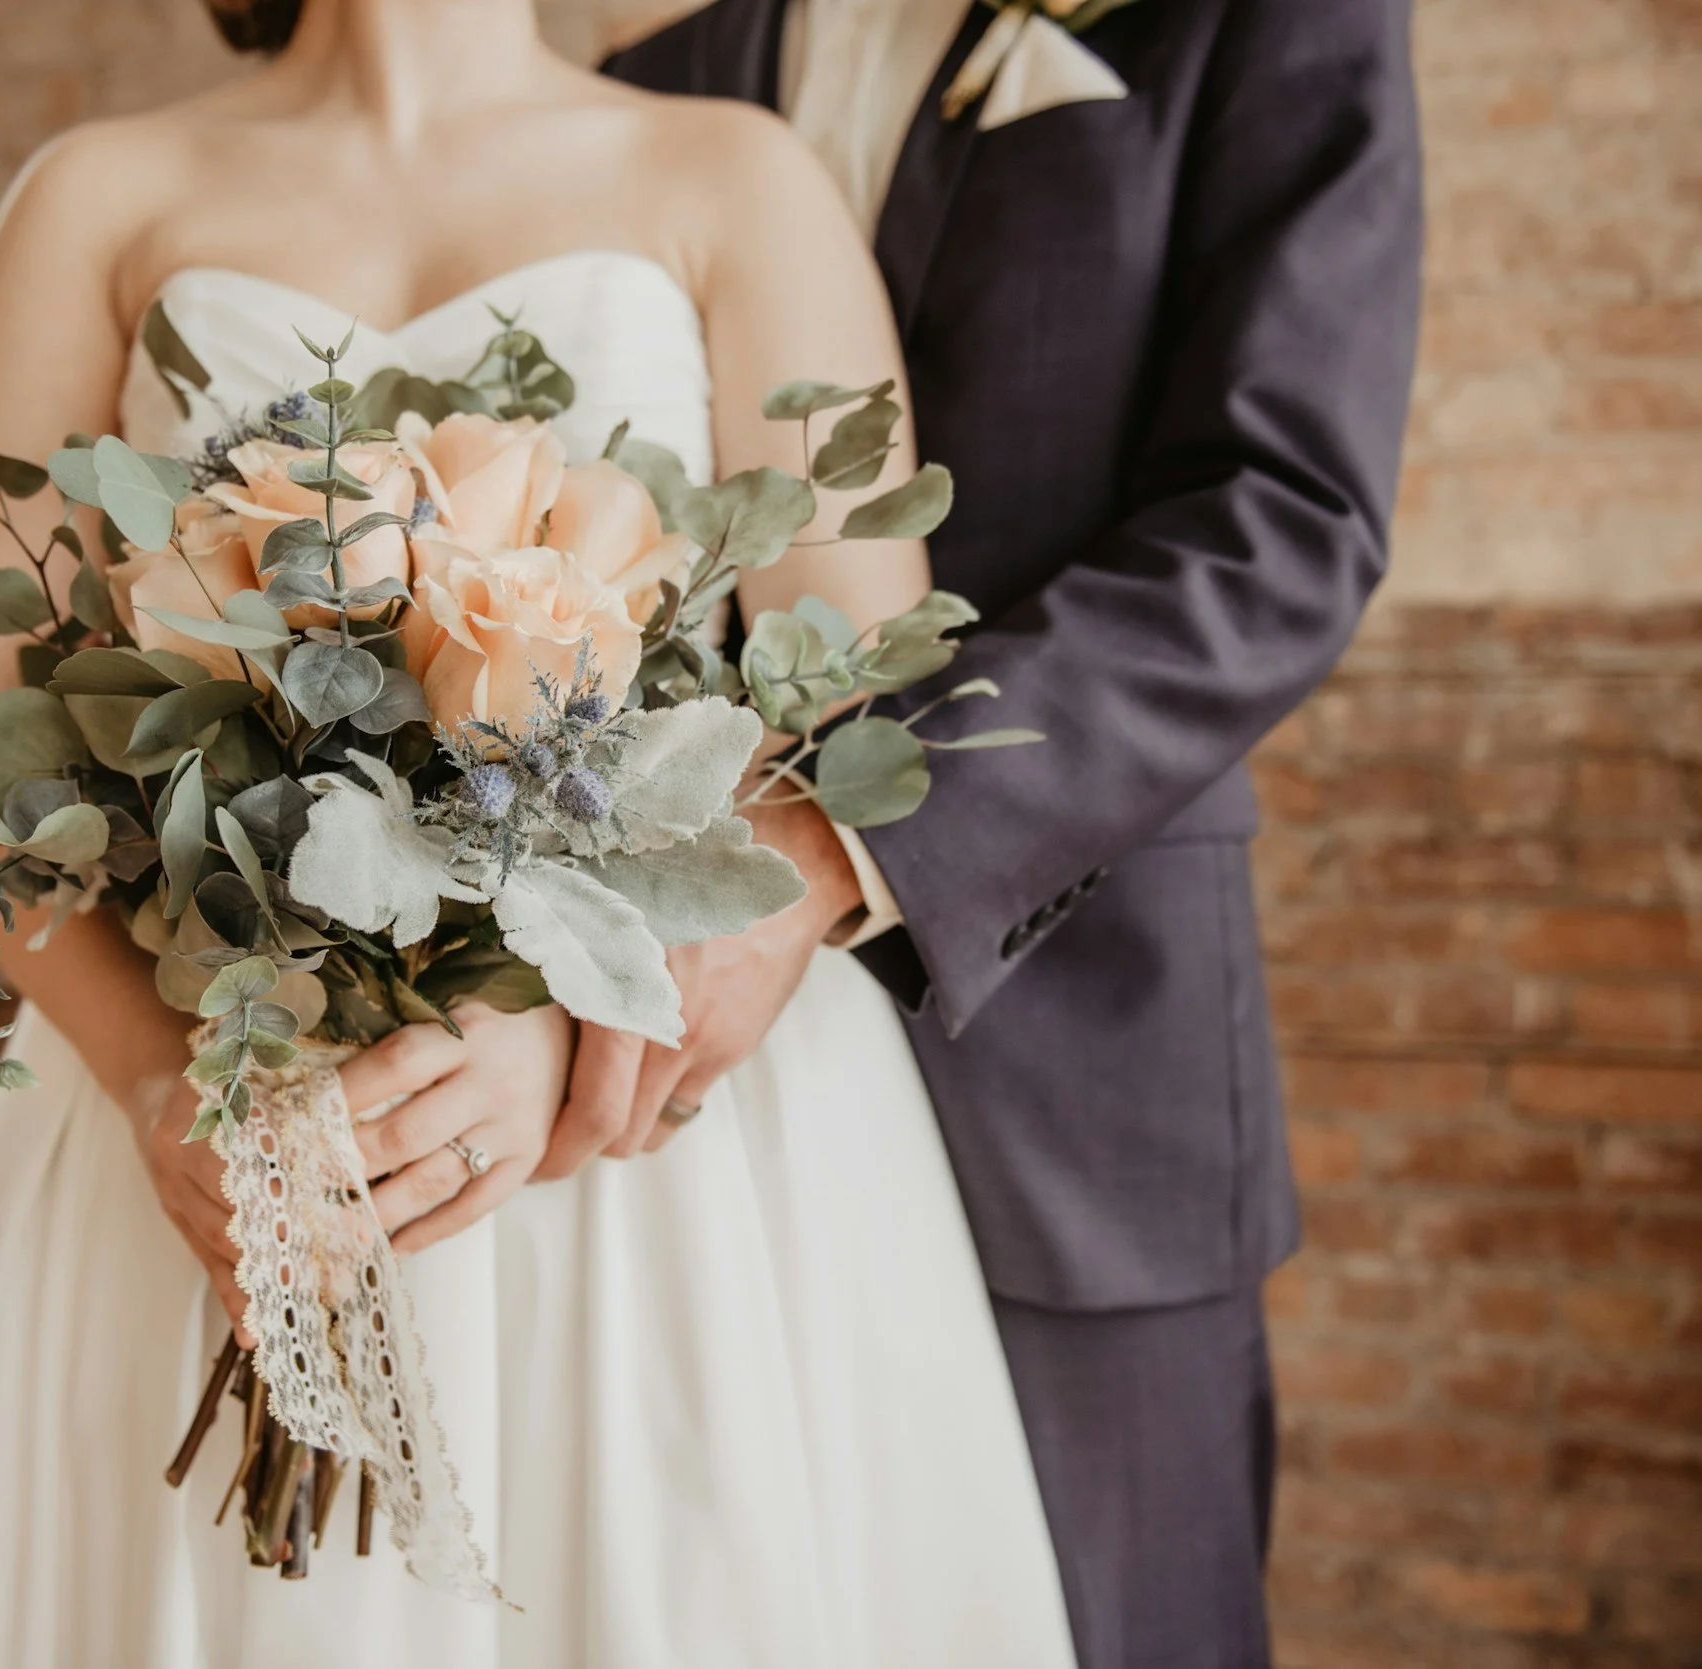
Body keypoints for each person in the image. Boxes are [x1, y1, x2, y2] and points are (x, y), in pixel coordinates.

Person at [0, 0, 1074, 1662]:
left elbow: (852, 704)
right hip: (226, 1090)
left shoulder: (733, 177)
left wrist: (552, 1009)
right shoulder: (98, 194)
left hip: (640, 1142)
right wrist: (163, 1081)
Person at [570, 2, 1425, 1663]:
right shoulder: (649, 75)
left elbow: (1283, 520)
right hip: (669, 1123)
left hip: (1073, 1057)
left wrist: (831, 845)